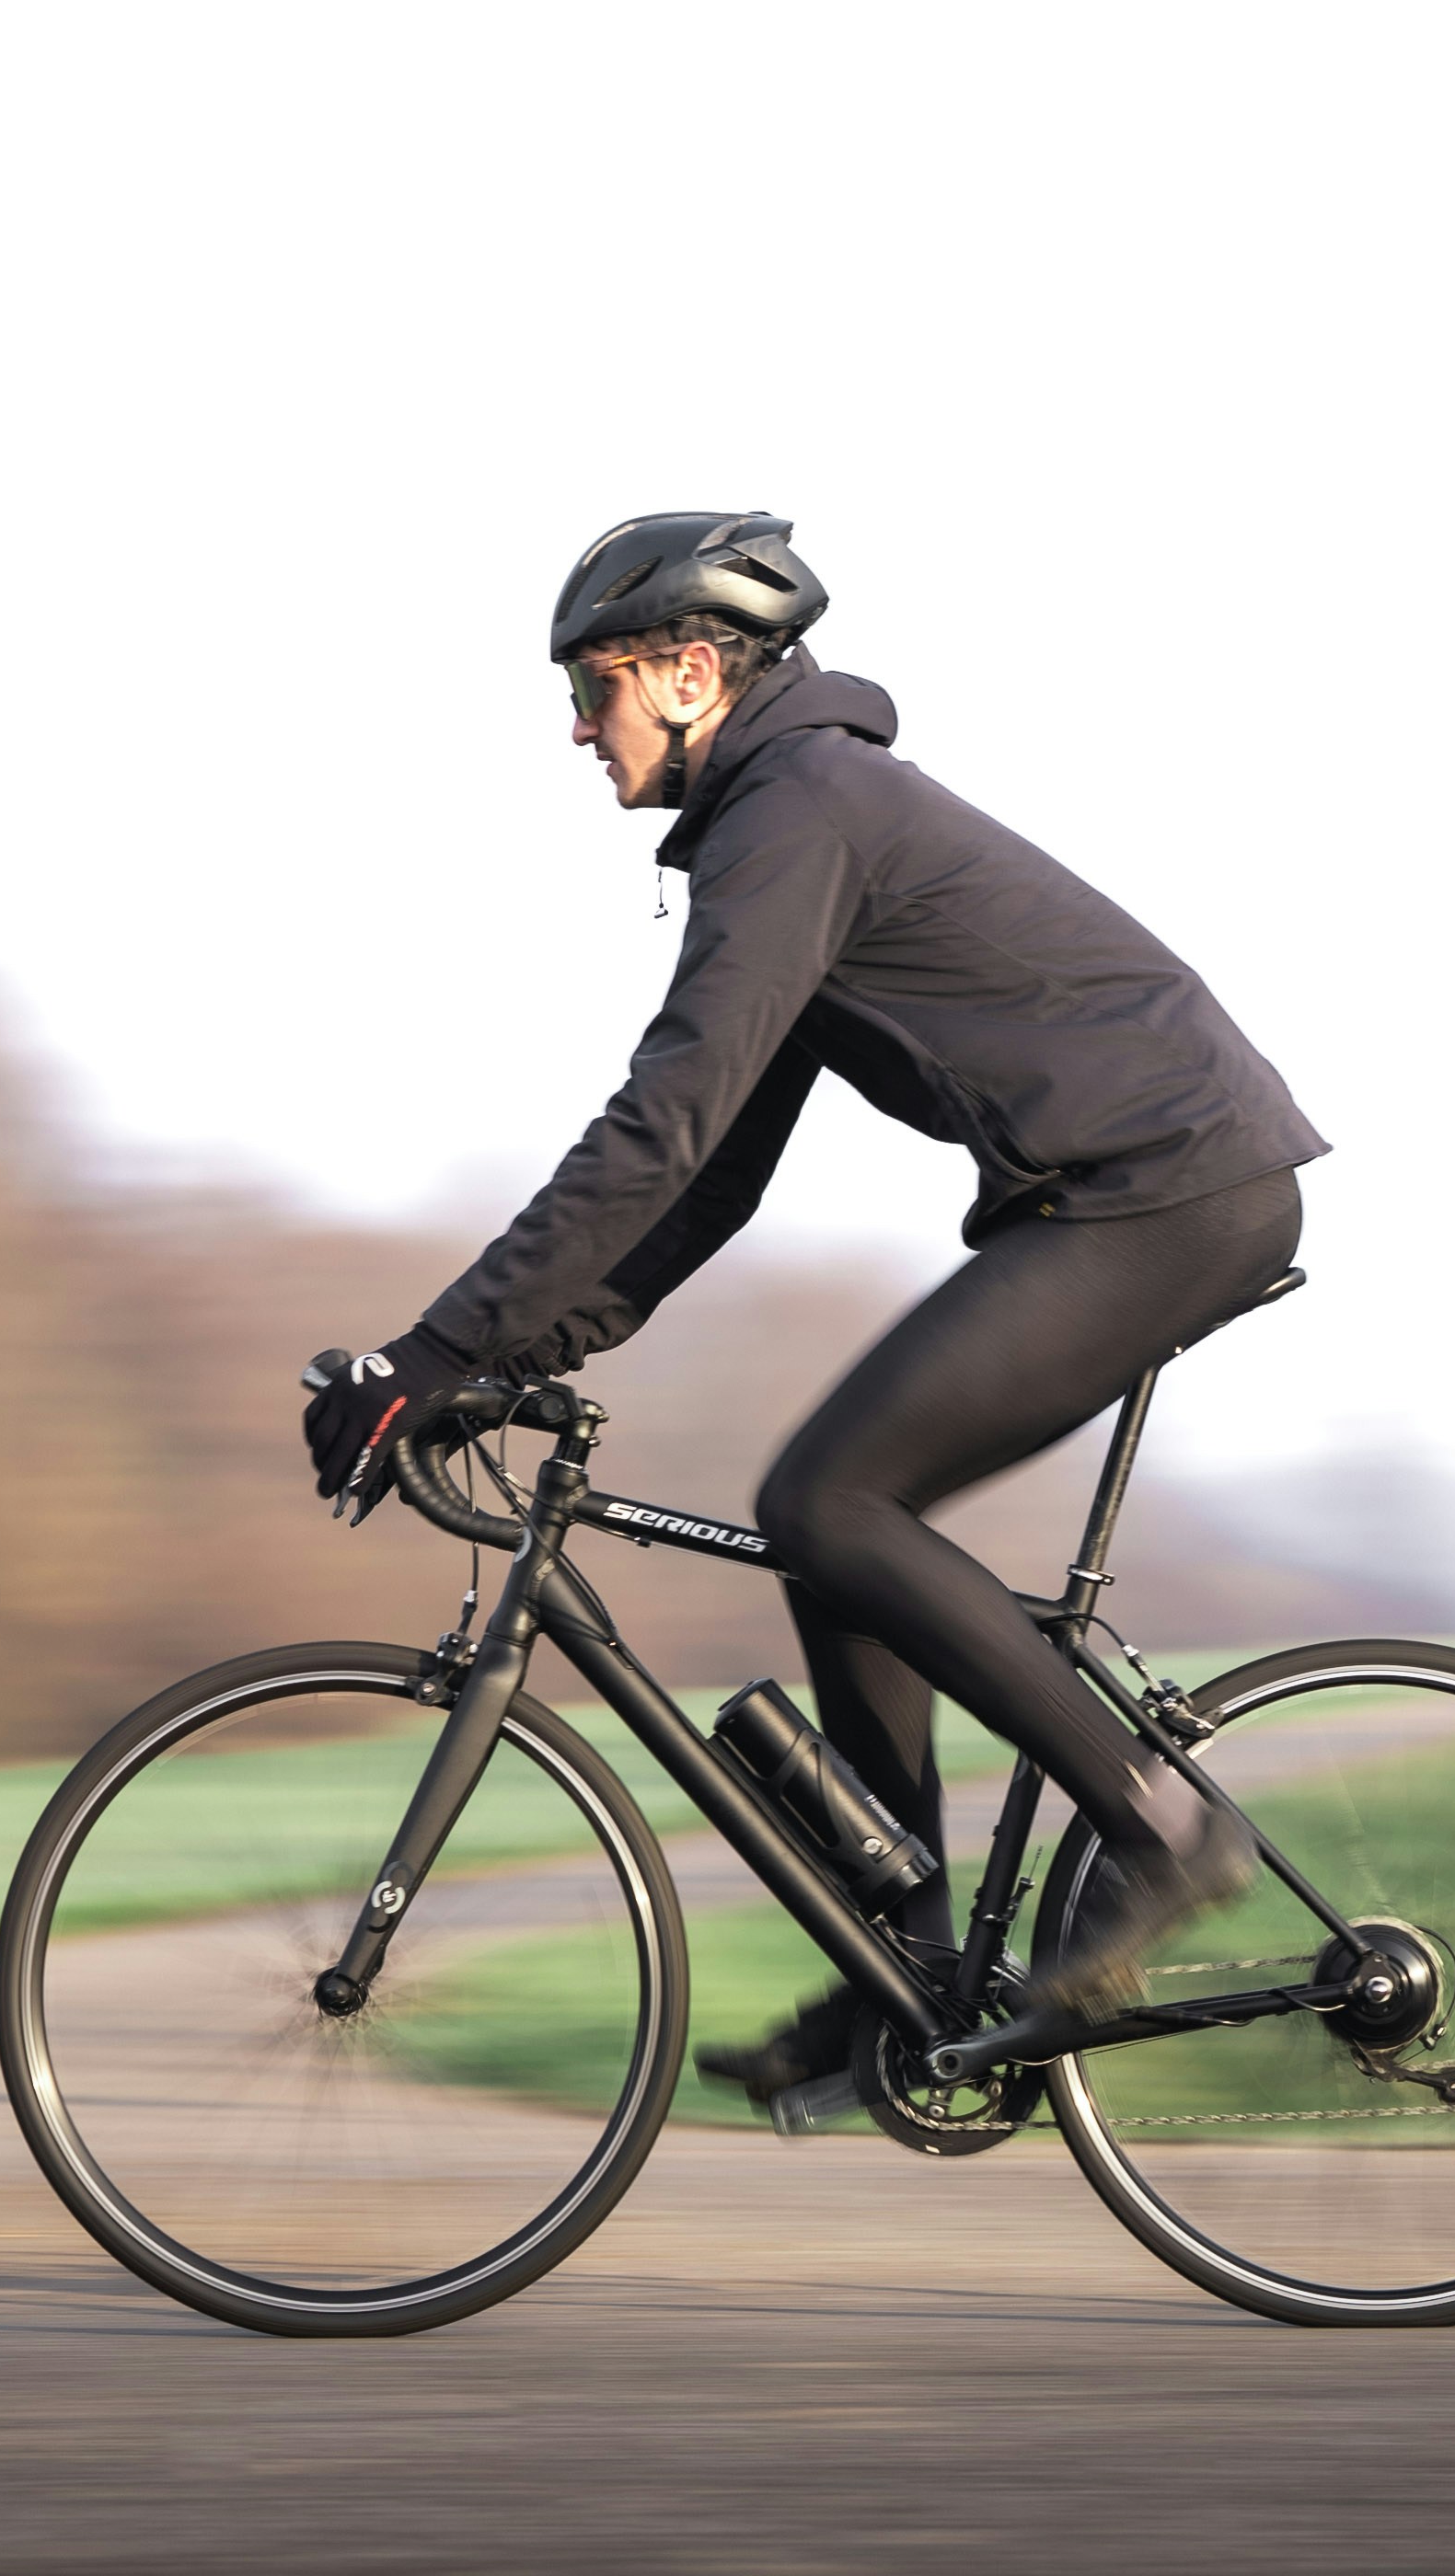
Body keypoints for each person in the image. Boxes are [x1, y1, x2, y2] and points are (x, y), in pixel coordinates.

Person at [302, 510, 1327, 2103]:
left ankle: (1164, 1824)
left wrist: (435, 1350)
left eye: (595, 689)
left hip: (1167, 1193)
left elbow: (669, 1119)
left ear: (693, 672)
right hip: (1124, 1194)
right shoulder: (789, 818)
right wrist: (507, 1361)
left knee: (831, 1497)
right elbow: (713, 1179)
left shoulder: (801, 811)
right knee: (837, 1524)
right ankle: (905, 1967)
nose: (580, 729)